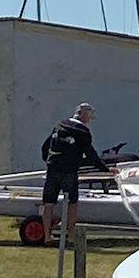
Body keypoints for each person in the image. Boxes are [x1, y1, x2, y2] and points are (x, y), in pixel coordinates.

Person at [40, 102, 111, 244]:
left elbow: (45, 147)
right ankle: (70, 234)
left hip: (52, 169)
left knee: (48, 204)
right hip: (69, 171)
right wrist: (106, 169)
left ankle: (47, 236)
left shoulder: (59, 125)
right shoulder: (82, 132)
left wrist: (48, 160)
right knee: (72, 202)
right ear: (84, 115)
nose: (90, 120)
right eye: (90, 117)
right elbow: (90, 154)